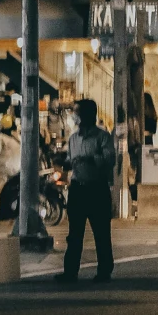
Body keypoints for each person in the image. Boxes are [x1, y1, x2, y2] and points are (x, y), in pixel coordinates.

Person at [61, 97, 115, 284]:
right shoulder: (73, 138)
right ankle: (70, 272)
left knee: (101, 233)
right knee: (74, 234)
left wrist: (90, 159)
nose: (74, 116)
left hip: (97, 188)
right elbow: (69, 159)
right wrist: (66, 162)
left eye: (77, 113)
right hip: (78, 189)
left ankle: (104, 271)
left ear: (87, 115)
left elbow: (110, 160)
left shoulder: (102, 137)